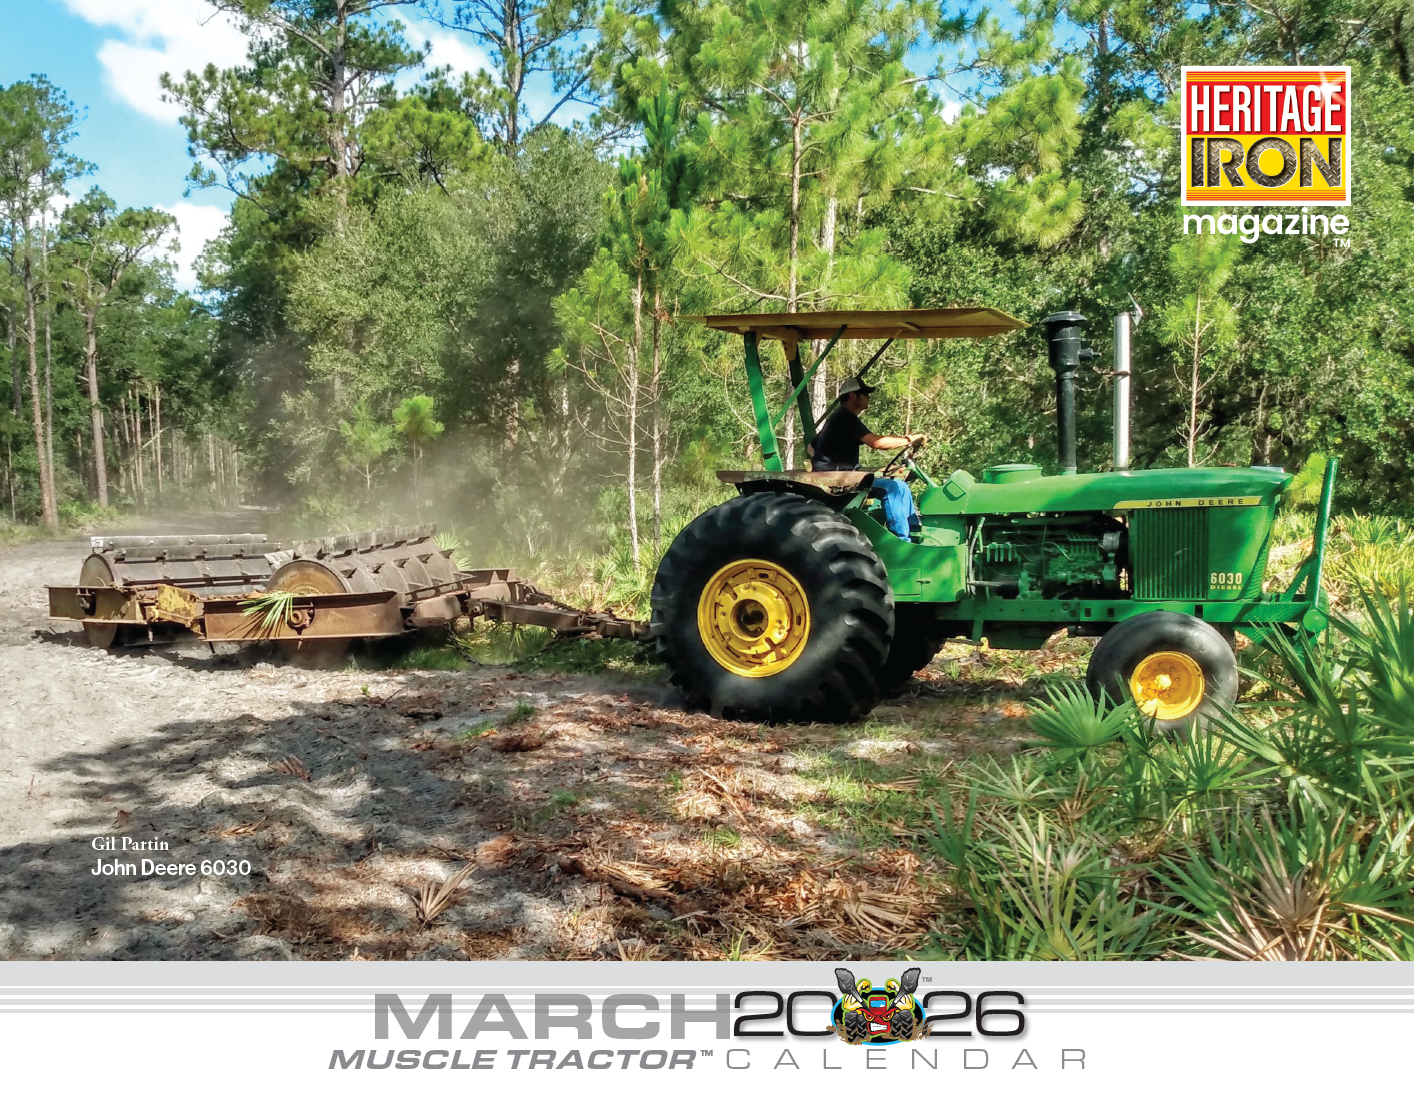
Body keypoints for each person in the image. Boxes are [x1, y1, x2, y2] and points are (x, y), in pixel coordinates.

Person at [809, 376, 926, 541]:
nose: (868, 397)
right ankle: (901, 541)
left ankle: (913, 533)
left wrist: (824, 462)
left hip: (840, 476)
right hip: (837, 480)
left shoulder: (838, 418)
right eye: (864, 393)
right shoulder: (845, 417)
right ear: (852, 396)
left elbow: (811, 447)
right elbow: (876, 443)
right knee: (890, 488)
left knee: (901, 486)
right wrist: (908, 440)